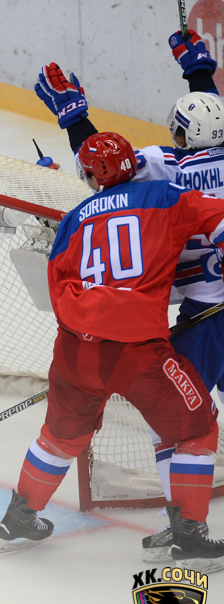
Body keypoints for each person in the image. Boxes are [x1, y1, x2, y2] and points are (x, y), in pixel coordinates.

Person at [0, 132, 224, 574]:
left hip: (74, 350)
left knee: (60, 436)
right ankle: (189, 537)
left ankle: (19, 518)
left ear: (88, 176)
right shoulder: (165, 196)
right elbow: (219, 216)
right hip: (138, 351)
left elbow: (55, 286)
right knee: (196, 429)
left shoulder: (74, 218)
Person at [35, 31, 224, 562]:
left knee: (176, 422)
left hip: (203, 315)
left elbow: (110, 172)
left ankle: (181, 525)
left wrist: (74, 118)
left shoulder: (168, 169)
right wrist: (199, 71)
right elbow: (212, 123)